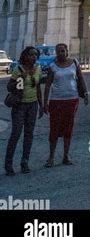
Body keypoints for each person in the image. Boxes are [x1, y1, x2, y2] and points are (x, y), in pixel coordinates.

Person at [43, 43, 89, 167]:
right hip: (56, 101)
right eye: (58, 51)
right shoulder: (52, 66)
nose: (61, 53)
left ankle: (66, 156)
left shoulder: (74, 63)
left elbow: (81, 78)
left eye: (63, 51)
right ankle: (51, 157)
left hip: (72, 100)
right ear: (56, 53)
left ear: (67, 51)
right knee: (54, 128)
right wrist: (45, 102)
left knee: (69, 127)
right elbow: (47, 85)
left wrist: (85, 93)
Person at [4, 47, 43, 176]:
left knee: (29, 134)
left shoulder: (38, 69)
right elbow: (9, 86)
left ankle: (24, 162)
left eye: (36, 55)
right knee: (16, 134)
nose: (34, 57)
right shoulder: (18, 69)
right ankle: (8, 164)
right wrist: (19, 80)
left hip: (32, 105)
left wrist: (41, 105)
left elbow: (38, 88)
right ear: (25, 56)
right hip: (19, 105)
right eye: (31, 55)